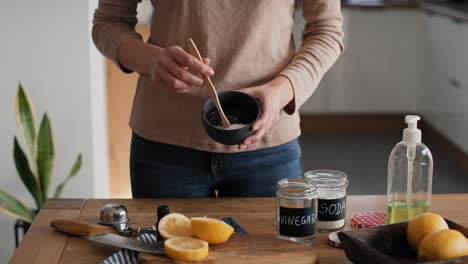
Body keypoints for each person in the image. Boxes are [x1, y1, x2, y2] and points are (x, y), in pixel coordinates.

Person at [92, 0, 344, 198]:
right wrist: (149, 60)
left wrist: (281, 90)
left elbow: (327, 32)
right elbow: (108, 22)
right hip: (165, 144)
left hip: (268, 144)